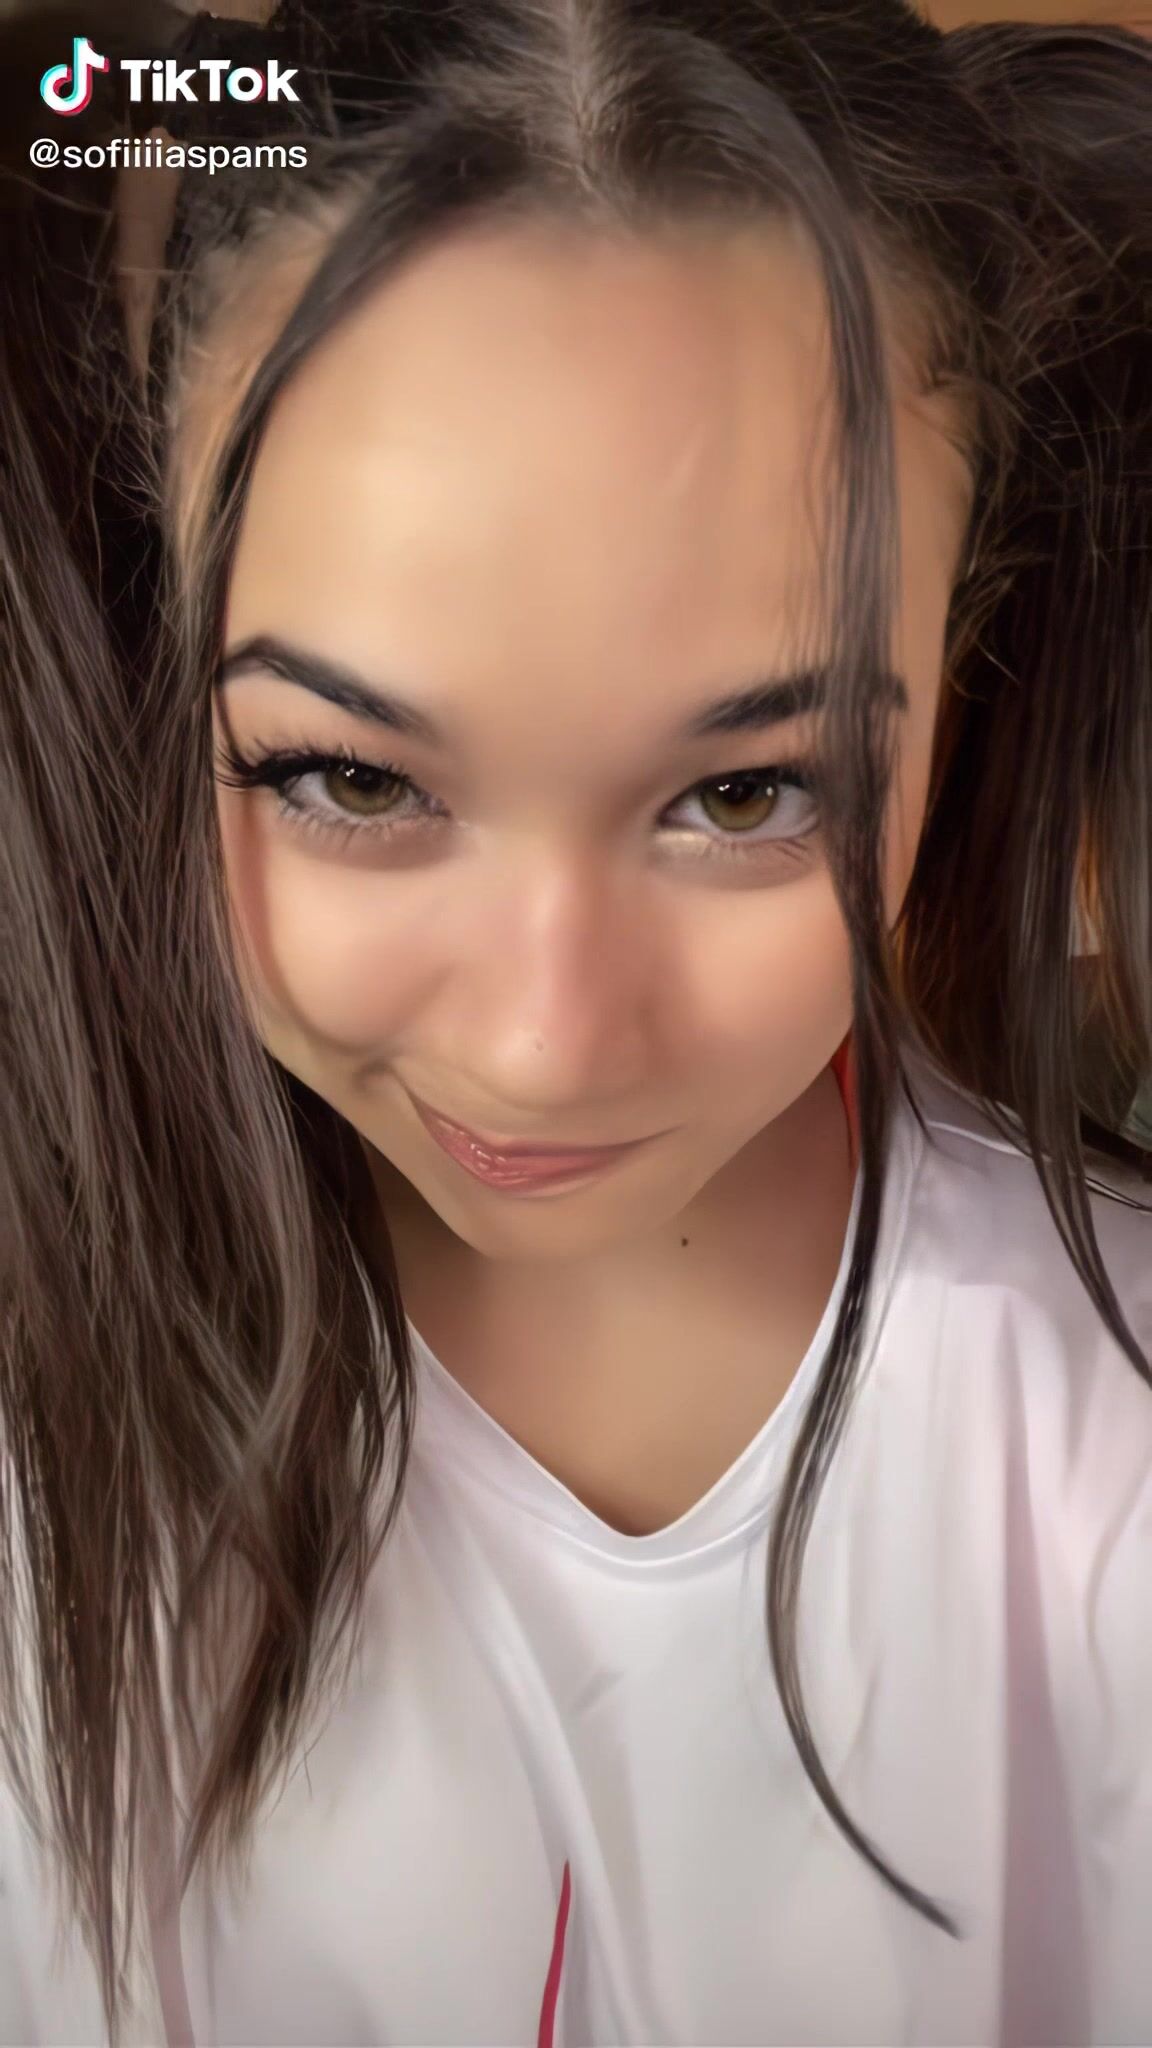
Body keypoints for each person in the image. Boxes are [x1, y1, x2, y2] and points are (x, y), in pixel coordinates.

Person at [1, 1, 1150, 2042]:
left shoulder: (1104, 1459)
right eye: (351, 777)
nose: (545, 1044)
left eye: (748, 794)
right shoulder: (43, 1465)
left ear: (964, 671)